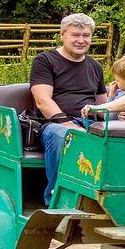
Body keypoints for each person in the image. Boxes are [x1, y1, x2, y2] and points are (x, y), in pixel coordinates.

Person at [29, 13, 107, 206]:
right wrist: (69, 125)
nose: (81, 40)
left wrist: (117, 115)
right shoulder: (45, 60)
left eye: (86, 35)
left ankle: (104, 199)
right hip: (52, 125)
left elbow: (102, 106)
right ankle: (56, 198)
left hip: (89, 122)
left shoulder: (95, 67)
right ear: (63, 35)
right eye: (75, 35)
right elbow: (42, 100)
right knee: (64, 134)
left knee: (117, 136)